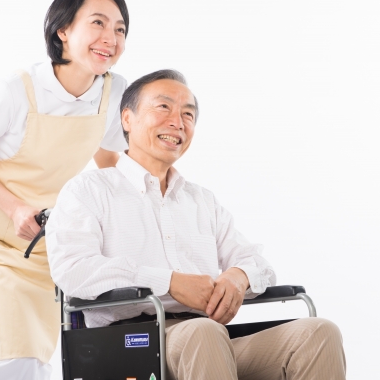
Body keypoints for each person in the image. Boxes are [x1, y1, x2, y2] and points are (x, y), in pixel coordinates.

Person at [46, 69, 346, 380]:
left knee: (319, 333)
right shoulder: (89, 190)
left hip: (210, 337)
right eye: (163, 107)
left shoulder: (201, 200)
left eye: (188, 114)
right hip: (129, 344)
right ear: (127, 119)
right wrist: (169, 282)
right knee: (203, 333)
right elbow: (73, 269)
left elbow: (257, 263)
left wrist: (239, 277)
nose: (177, 122)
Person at [0, 0, 130, 380]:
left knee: (48, 351)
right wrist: (15, 208)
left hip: (50, 240)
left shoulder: (113, 91)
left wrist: (127, 209)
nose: (111, 38)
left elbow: (107, 157)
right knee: (17, 354)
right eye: (98, 23)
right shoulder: (15, 91)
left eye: (120, 29)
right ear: (62, 30)